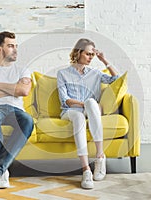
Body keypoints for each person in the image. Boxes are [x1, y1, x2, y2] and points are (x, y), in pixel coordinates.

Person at [57, 38, 119, 189]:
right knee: (80, 114)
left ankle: (100, 156)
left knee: (91, 103)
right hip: (70, 111)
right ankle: (86, 170)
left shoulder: (95, 73)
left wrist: (104, 60)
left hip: (90, 111)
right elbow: (65, 100)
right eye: (88, 54)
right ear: (78, 53)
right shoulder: (63, 73)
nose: (91, 57)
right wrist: (83, 104)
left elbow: (116, 79)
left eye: (92, 54)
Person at [0, 31, 34, 191]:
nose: (15, 50)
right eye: (10, 46)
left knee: (28, 121)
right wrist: (13, 88)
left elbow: (23, 91)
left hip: (16, 110)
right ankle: (1, 172)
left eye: (16, 46)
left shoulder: (22, 70)